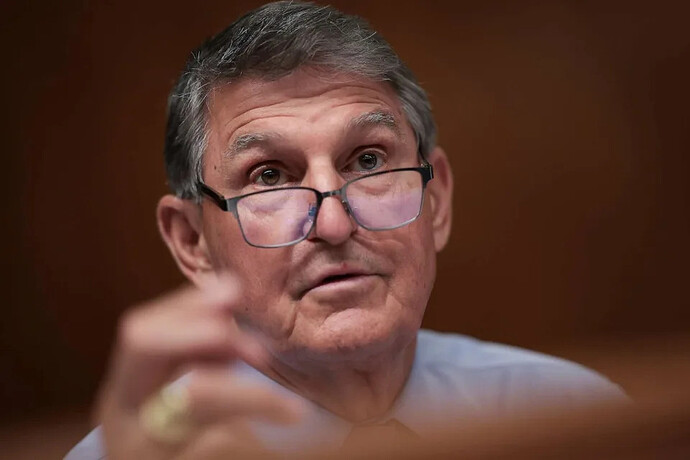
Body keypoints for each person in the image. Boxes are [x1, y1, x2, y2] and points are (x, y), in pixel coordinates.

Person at [66, 2, 625, 458]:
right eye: (269, 176)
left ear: (437, 202)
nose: (333, 224)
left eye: (368, 162)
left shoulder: (579, 418)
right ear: (193, 243)